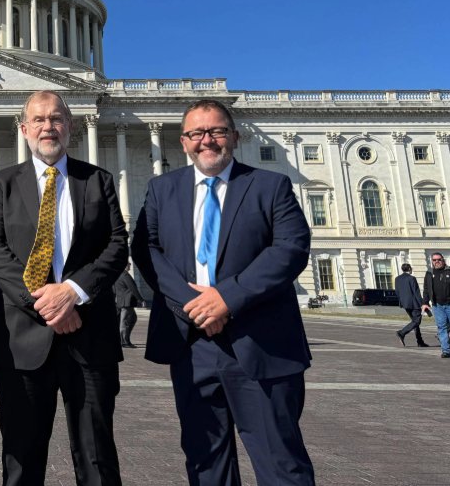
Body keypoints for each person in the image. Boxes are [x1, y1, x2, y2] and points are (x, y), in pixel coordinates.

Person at [132, 99, 315, 485]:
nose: (207, 141)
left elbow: (290, 248)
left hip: (260, 343)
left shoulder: (270, 185)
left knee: (281, 464)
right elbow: (145, 249)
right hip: (191, 344)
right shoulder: (161, 188)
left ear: (234, 136)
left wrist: (226, 299)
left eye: (216, 131)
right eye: (197, 133)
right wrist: (193, 304)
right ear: (183, 141)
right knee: (205, 464)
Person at [0, 90, 128, 486]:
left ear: (71, 126)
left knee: (97, 458)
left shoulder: (98, 180)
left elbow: (117, 245)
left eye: (57, 118)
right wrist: (47, 303)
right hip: (22, 340)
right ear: (24, 128)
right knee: (21, 458)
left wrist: (74, 292)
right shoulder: (1, 184)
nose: (49, 127)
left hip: (89, 335)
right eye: (40, 120)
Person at [420, 253, 450, 358]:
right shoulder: (429, 273)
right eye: (434, 260)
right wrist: (425, 303)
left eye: (439, 259)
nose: (437, 262)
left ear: (443, 260)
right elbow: (426, 289)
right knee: (441, 328)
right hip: (437, 305)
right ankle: (446, 351)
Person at [395, 263, 428, 348]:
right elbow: (416, 292)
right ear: (409, 269)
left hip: (405, 304)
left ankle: (420, 341)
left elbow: (397, 292)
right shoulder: (412, 278)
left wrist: (402, 302)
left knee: (414, 322)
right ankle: (402, 332)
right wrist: (423, 303)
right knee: (416, 321)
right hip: (414, 303)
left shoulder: (397, 279)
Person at [114, 263, 141, 348]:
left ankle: (124, 339)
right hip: (127, 302)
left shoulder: (117, 274)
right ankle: (124, 342)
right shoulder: (125, 274)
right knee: (125, 321)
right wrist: (140, 299)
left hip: (121, 301)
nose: (129, 266)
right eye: (128, 264)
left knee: (132, 319)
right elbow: (133, 288)